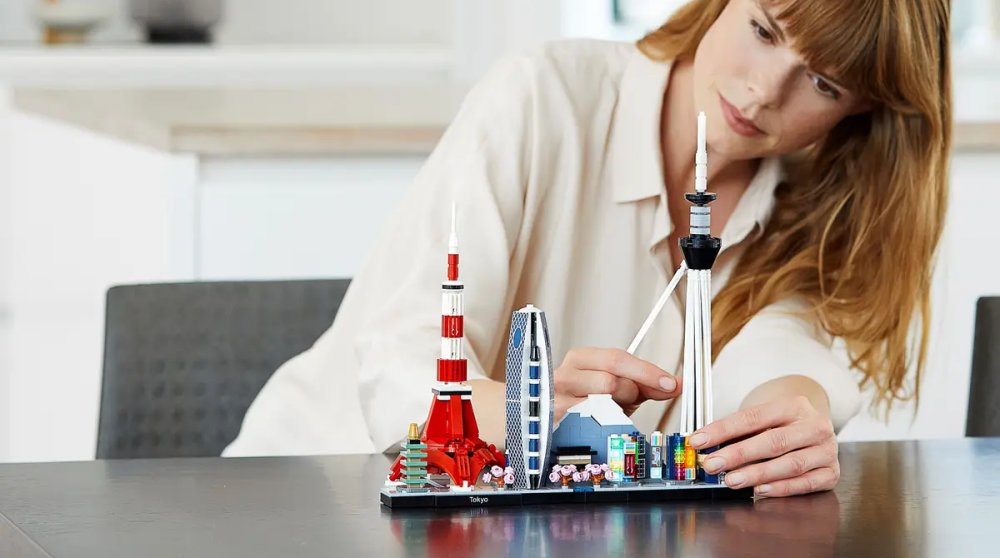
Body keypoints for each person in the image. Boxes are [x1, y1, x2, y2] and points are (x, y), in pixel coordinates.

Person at [224, 0, 951, 498]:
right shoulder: (540, 100)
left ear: (860, 112)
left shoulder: (816, 208)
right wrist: (526, 417)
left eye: (822, 82)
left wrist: (787, 416)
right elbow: (401, 365)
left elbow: (776, 355)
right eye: (763, 29)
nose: (764, 91)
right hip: (306, 499)